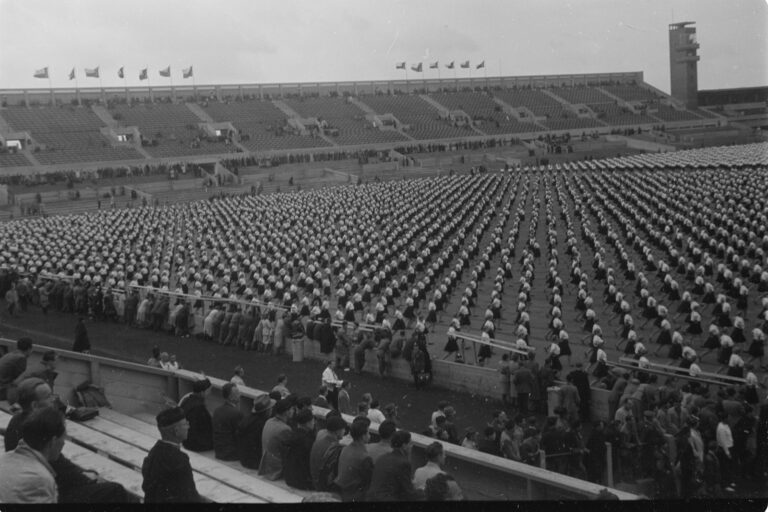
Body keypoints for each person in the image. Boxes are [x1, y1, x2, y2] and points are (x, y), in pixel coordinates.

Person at [5, 378, 134, 503]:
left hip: (28, 482)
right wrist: (85, 478)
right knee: (115, 490)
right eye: (49, 397)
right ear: (34, 405)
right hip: (51, 489)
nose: (54, 400)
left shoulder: (16, 421)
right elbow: (57, 466)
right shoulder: (41, 427)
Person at [0, 406, 66, 503]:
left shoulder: (4, 459)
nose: (64, 443)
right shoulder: (40, 479)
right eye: (63, 438)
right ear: (53, 441)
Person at [142, 406, 203, 503]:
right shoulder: (180, 459)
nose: (188, 426)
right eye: (185, 424)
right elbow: (190, 496)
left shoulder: (153, 453)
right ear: (176, 431)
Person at [366, 430, 423, 501]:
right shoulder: (403, 463)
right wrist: (423, 491)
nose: (411, 446)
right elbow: (409, 492)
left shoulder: (383, 457)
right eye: (410, 443)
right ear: (404, 445)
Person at [334, 418, 374, 501]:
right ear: (363, 436)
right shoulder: (364, 457)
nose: (369, 435)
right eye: (368, 433)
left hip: (342, 490)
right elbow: (369, 481)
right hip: (353, 495)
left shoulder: (345, 449)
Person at [259, 398, 295, 480]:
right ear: (286, 412)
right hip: (275, 470)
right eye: (292, 409)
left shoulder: (269, 421)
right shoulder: (285, 429)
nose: (293, 411)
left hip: (266, 466)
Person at [237, 394, 275, 470]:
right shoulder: (264, 424)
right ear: (267, 410)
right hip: (256, 463)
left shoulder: (246, 419)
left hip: (244, 459)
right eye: (271, 408)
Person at [310, 414, 347, 490]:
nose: (344, 431)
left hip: (314, 480)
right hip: (323, 485)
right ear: (337, 431)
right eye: (343, 429)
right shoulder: (336, 448)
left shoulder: (319, 440)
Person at [283, 408, 317, 490]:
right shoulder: (307, 441)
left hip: (289, 478)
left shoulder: (293, 434)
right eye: (313, 421)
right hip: (302, 482)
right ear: (307, 423)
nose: (314, 423)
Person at [178, 378, 214, 452]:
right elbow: (207, 426)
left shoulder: (186, 400)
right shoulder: (199, 407)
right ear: (202, 392)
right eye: (208, 391)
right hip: (196, 444)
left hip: (186, 441)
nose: (210, 393)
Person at [212, 383, 243, 461]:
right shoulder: (236, 413)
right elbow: (240, 435)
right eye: (237, 393)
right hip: (231, 454)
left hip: (218, 451)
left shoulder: (217, 411)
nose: (240, 394)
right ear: (231, 397)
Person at [0, 337, 33, 401]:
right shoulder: (21, 358)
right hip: (2, 389)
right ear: (29, 349)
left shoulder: (10, 354)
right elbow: (21, 379)